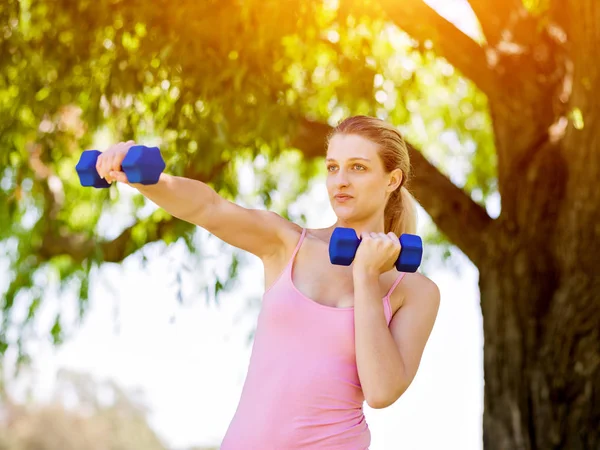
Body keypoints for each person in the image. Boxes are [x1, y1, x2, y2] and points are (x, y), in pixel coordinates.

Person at [96, 115, 440, 449]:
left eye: (358, 167)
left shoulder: (415, 291)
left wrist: (365, 276)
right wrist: (143, 178)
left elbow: (380, 392)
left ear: (392, 180)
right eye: (333, 167)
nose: (341, 181)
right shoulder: (288, 243)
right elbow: (209, 208)